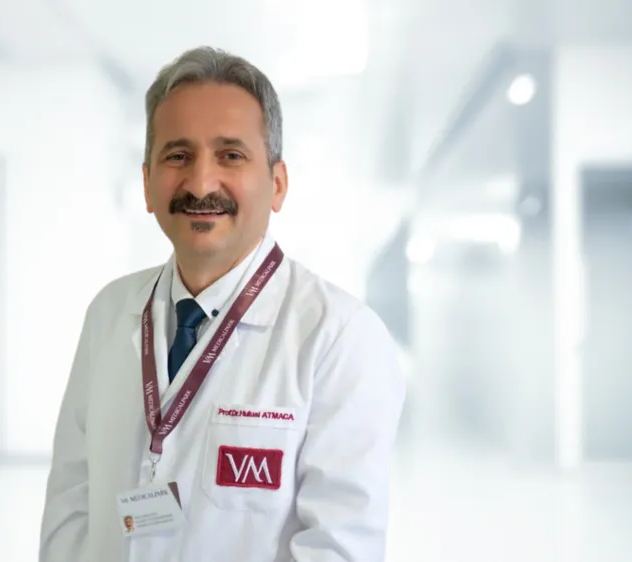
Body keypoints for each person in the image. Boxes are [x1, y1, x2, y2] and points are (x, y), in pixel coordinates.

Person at [39, 45, 406, 562]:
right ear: (146, 183)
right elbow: (71, 503)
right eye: (178, 155)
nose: (200, 183)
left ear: (277, 184)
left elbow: (339, 548)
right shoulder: (110, 312)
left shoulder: (339, 337)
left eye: (231, 155)